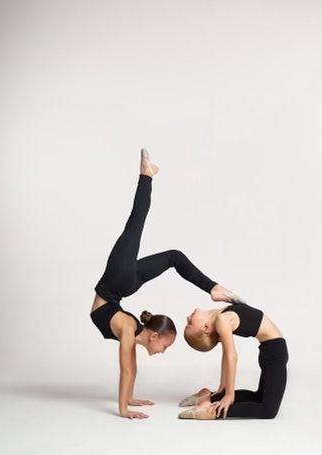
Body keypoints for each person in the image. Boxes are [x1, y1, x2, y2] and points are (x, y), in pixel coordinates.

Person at [90, 148, 244, 419]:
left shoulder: (131, 330)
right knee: (134, 226)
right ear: (153, 335)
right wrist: (124, 409)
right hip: (116, 284)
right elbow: (126, 370)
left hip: (120, 287)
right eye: (165, 345)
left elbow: (131, 368)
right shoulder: (128, 327)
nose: (163, 351)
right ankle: (145, 175)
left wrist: (130, 398)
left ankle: (213, 288)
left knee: (172, 256)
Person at [178, 302, 289, 420]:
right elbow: (231, 355)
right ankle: (212, 411)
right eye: (190, 323)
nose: (187, 318)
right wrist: (229, 394)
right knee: (268, 411)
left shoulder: (220, 315)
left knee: (259, 398)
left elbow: (226, 354)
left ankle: (209, 398)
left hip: (270, 350)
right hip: (275, 352)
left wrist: (223, 384)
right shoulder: (222, 319)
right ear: (205, 327)